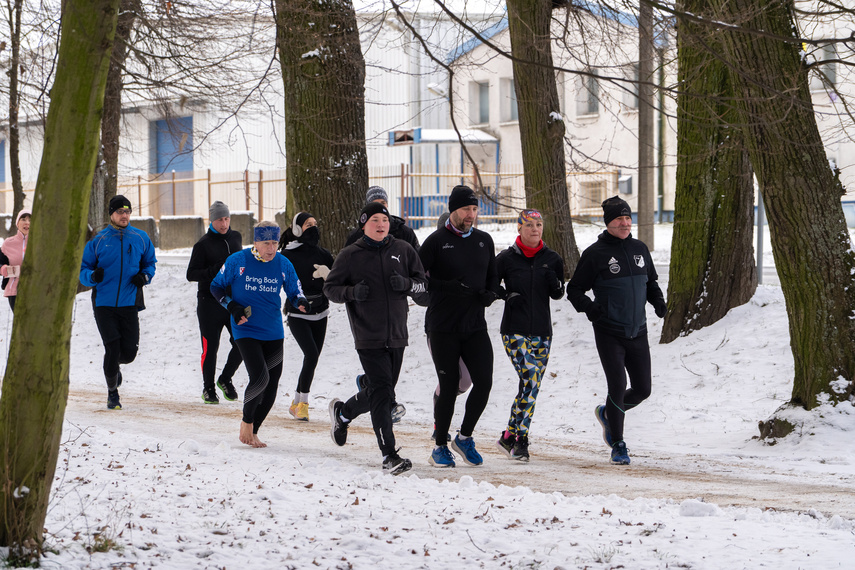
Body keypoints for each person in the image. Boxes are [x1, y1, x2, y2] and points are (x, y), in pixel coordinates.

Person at [324, 202, 427, 476]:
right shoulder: (350, 255)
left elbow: (423, 284)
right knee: (382, 392)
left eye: (384, 219)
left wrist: (407, 285)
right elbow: (330, 289)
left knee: (381, 391)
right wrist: (352, 292)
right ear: (364, 225)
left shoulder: (403, 251)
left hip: (396, 335)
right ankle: (389, 455)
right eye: (375, 220)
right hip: (367, 334)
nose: (381, 224)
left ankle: (343, 413)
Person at [566, 196, 667, 466]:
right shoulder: (595, 254)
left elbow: (650, 282)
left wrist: (657, 301)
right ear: (608, 223)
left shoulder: (640, 249)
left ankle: (608, 413)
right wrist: (590, 309)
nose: (625, 223)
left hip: (638, 331)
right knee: (617, 385)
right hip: (609, 330)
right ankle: (619, 444)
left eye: (627, 218)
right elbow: (574, 290)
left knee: (643, 389)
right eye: (619, 219)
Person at [419, 185, 500, 468]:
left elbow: (493, 275)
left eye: (475, 209)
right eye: (466, 209)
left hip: (475, 325)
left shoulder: (484, 240)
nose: (471, 214)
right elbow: (418, 279)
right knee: (450, 383)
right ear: (453, 210)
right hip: (442, 326)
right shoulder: (436, 241)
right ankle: (439, 446)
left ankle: (464, 437)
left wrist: (491, 293)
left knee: (485, 382)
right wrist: (445, 287)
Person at [210, 220, 308, 448]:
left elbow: (295, 289)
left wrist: (300, 301)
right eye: (266, 243)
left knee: (272, 385)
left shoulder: (283, 263)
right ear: (255, 242)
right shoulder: (238, 261)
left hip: (273, 330)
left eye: (274, 243)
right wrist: (231, 306)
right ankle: (246, 422)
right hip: (246, 329)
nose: (271, 248)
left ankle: (254, 430)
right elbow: (216, 286)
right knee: (260, 378)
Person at [494, 209, 566, 462]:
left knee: (530, 385)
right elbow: (491, 285)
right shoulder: (506, 259)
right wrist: (506, 296)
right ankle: (521, 441)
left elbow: (558, 293)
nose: (535, 229)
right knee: (531, 380)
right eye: (529, 225)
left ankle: (509, 436)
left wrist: (555, 284)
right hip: (514, 330)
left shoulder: (552, 258)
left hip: (542, 333)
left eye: (539, 224)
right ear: (519, 228)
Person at [346, 185, 418, 423]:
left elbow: (419, 269)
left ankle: (347, 410)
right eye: (375, 204)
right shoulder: (356, 238)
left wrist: (407, 284)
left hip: (395, 311)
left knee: (382, 383)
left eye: (384, 204)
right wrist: (354, 292)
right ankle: (388, 418)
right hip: (366, 316)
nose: (381, 209)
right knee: (383, 384)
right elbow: (342, 275)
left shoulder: (404, 234)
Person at [79, 195, 157, 410]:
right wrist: (93, 277)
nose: (125, 215)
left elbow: (150, 264)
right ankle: (112, 393)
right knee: (112, 347)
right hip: (103, 303)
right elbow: (83, 270)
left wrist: (145, 277)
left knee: (129, 353)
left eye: (128, 212)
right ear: (111, 214)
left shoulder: (140, 238)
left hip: (129, 302)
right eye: (120, 212)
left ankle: (114, 368)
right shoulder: (98, 240)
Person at [278, 211, 335, 421]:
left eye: (315, 223)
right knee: (311, 354)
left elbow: (337, 281)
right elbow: (282, 283)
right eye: (307, 224)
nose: (313, 227)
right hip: (297, 314)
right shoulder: (287, 255)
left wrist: (328, 274)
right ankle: (303, 403)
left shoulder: (324, 255)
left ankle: (296, 402)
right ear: (297, 229)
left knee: (313, 358)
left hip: (321, 312)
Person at [186, 201, 244, 405]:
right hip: (209, 302)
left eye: (227, 218)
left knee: (243, 342)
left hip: (232, 301)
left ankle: (225, 378)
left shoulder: (236, 237)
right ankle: (208, 388)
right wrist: (213, 270)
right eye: (220, 219)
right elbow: (191, 274)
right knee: (210, 347)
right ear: (212, 220)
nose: (224, 223)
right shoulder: (202, 244)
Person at [0, 209, 31, 312]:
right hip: (14, 290)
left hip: (35, 288)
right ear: (17, 223)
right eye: (23, 219)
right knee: (21, 323)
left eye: (30, 220)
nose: (27, 222)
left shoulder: (39, 243)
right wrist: (3, 269)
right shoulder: (8, 243)